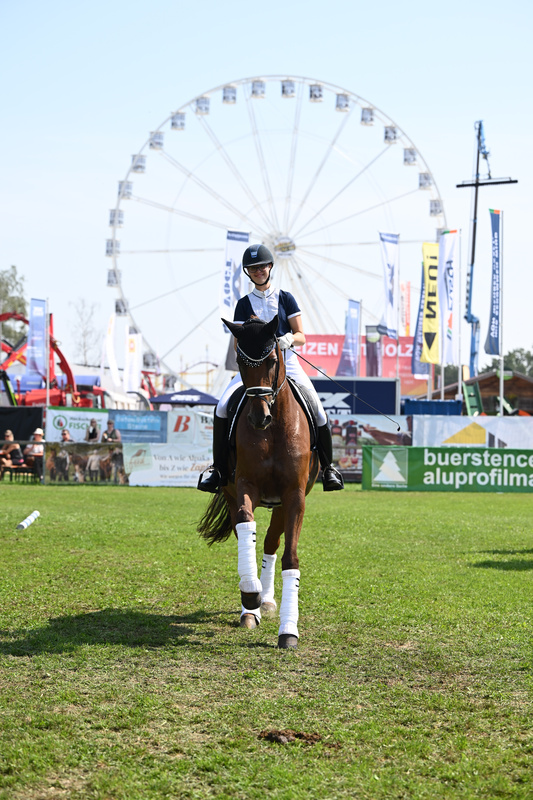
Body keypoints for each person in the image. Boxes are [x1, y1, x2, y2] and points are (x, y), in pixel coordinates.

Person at [198, 243, 344, 493]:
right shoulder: (243, 304)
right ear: (248, 272)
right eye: (253, 268)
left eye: (262, 266)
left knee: (319, 411)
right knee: (222, 407)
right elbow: (237, 342)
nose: (258, 271)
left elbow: (301, 335)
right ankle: (218, 469)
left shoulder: (286, 298)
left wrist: (288, 340)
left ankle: (329, 469)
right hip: (255, 369)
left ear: (270, 267)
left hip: (288, 365)